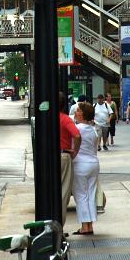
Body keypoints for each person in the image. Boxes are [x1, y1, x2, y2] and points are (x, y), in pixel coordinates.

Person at [72, 102, 100, 235]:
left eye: (77, 110)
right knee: (91, 194)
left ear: (82, 114)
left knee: (81, 195)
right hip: (94, 164)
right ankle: (90, 224)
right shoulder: (93, 129)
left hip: (80, 164)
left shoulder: (77, 129)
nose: (75, 112)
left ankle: (84, 226)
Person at [59, 92, 81, 226]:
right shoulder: (65, 119)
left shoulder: (45, 118)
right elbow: (77, 136)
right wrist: (75, 152)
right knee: (64, 192)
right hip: (64, 156)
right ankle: (58, 226)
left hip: (47, 158)